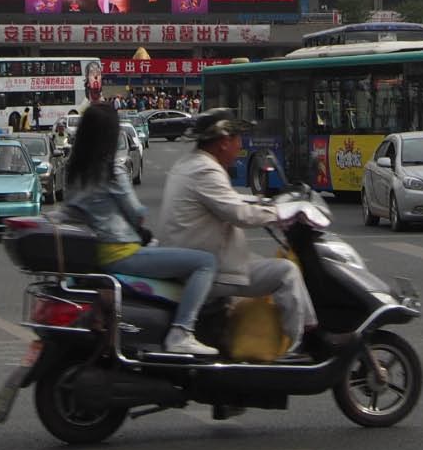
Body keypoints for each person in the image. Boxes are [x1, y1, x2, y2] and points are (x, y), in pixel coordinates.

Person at [157, 109, 330, 358]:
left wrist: (263, 203)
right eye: (237, 138)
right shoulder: (207, 172)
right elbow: (239, 214)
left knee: (264, 265)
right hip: (207, 266)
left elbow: (227, 200)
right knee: (286, 272)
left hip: (193, 257)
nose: (240, 145)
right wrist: (281, 214)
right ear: (224, 142)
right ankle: (301, 342)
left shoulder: (191, 164)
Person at [63, 102, 218, 356]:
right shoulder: (111, 169)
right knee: (205, 263)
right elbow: (137, 213)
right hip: (122, 253)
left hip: (96, 254)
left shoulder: (75, 170)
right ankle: (181, 331)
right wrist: (141, 223)